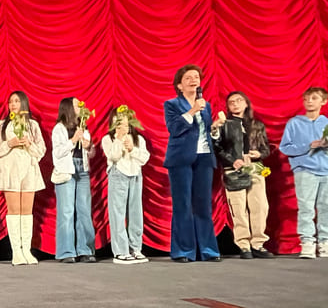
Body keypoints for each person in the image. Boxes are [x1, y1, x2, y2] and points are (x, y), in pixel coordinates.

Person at [163, 65, 220, 262]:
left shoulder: (207, 104)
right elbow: (175, 128)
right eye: (188, 78)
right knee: (183, 205)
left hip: (204, 157)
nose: (194, 80)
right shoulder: (171, 104)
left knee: (203, 205)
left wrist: (216, 129)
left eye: (196, 77)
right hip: (180, 159)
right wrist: (193, 110)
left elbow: (205, 131)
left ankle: (208, 250)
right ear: (180, 85)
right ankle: (183, 251)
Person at [279, 87, 328, 259]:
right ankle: (307, 243)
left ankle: (324, 243)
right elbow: (285, 147)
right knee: (306, 207)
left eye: (314, 98)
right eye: (306, 98)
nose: (309, 101)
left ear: (323, 102)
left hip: (327, 171)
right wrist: (309, 146)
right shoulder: (294, 123)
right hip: (305, 170)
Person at [211, 91, 273, 259]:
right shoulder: (225, 125)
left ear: (246, 104)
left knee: (259, 207)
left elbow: (266, 148)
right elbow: (217, 147)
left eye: (239, 100)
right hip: (234, 169)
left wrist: (258, 154)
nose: (236, 104)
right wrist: (232, 161)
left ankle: (258, 243)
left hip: (255, 168)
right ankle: (244, 244)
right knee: (238, 208)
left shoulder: (257, 125)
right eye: (232, 102)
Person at [0, 91, 45, 265]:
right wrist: (10, 143)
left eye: (16, 101)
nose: (13, 104)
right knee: (14, 211)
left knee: (27, 211)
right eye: (11, 102)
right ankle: (16, 251)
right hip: (10, 168)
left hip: (29, 168)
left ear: (24, 104)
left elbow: (41, 151)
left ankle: (26, 250)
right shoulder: (2, 125)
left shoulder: (33, 125)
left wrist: (29, 143)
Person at [100, 107, 150, 264]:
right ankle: (120, 251)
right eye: (118, 120)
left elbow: (144, 158)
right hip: (118, 174)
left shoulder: (138, 139)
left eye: (124, 119)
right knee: (118, 213)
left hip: (135, 175)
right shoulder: (108, 139)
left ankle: (135, 248)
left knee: (136, 213)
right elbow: (113, 156)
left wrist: (131, 149)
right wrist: (118, 139)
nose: (122, 123)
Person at [52, 97, 96, 263]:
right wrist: (73, 141)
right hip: (67, 170)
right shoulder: (59, 128)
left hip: (82, 169)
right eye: (77, 104)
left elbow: (91, 153)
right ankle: (66, 251)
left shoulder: (82, 126)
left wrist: (88, 147)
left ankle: (84, 249)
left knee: (84, 210)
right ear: (68, 108)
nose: (81, 106)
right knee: (67, 211)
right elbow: (57, 153)